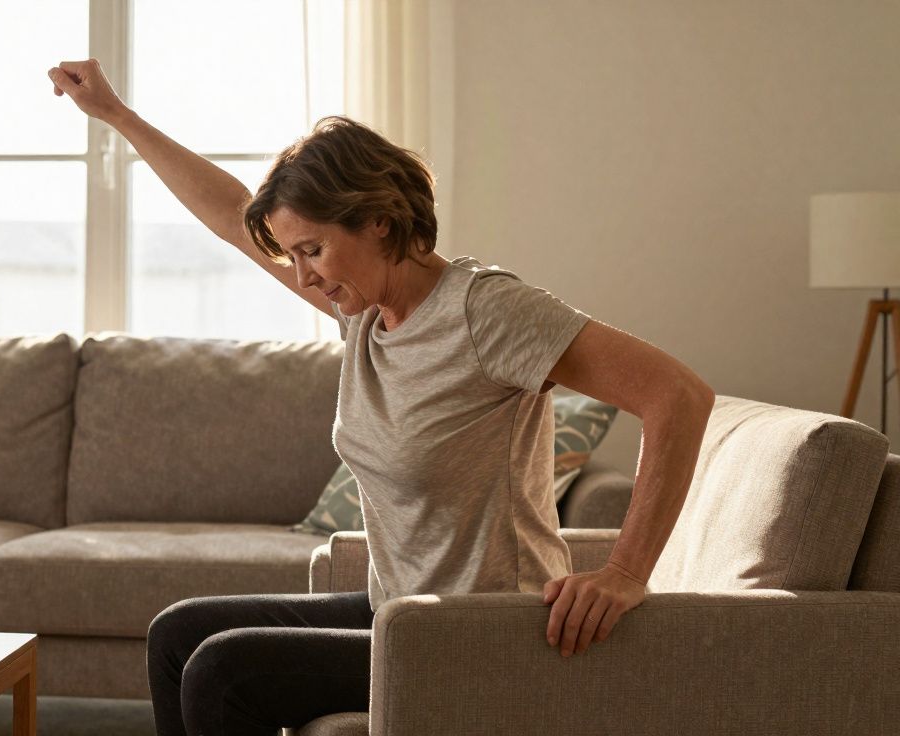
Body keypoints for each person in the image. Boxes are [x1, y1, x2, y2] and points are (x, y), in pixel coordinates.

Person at [48, 58, 715, 736]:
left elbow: (679, 395)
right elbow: (229, 215)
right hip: (400, 611)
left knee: (225, 671)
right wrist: (117, 116)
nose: (302, 278)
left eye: (312, 251)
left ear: (379, 223)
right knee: (177, 634)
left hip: (484, 628)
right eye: (292, 255)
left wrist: (626, 571)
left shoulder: (487, 311)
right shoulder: (366, 312)